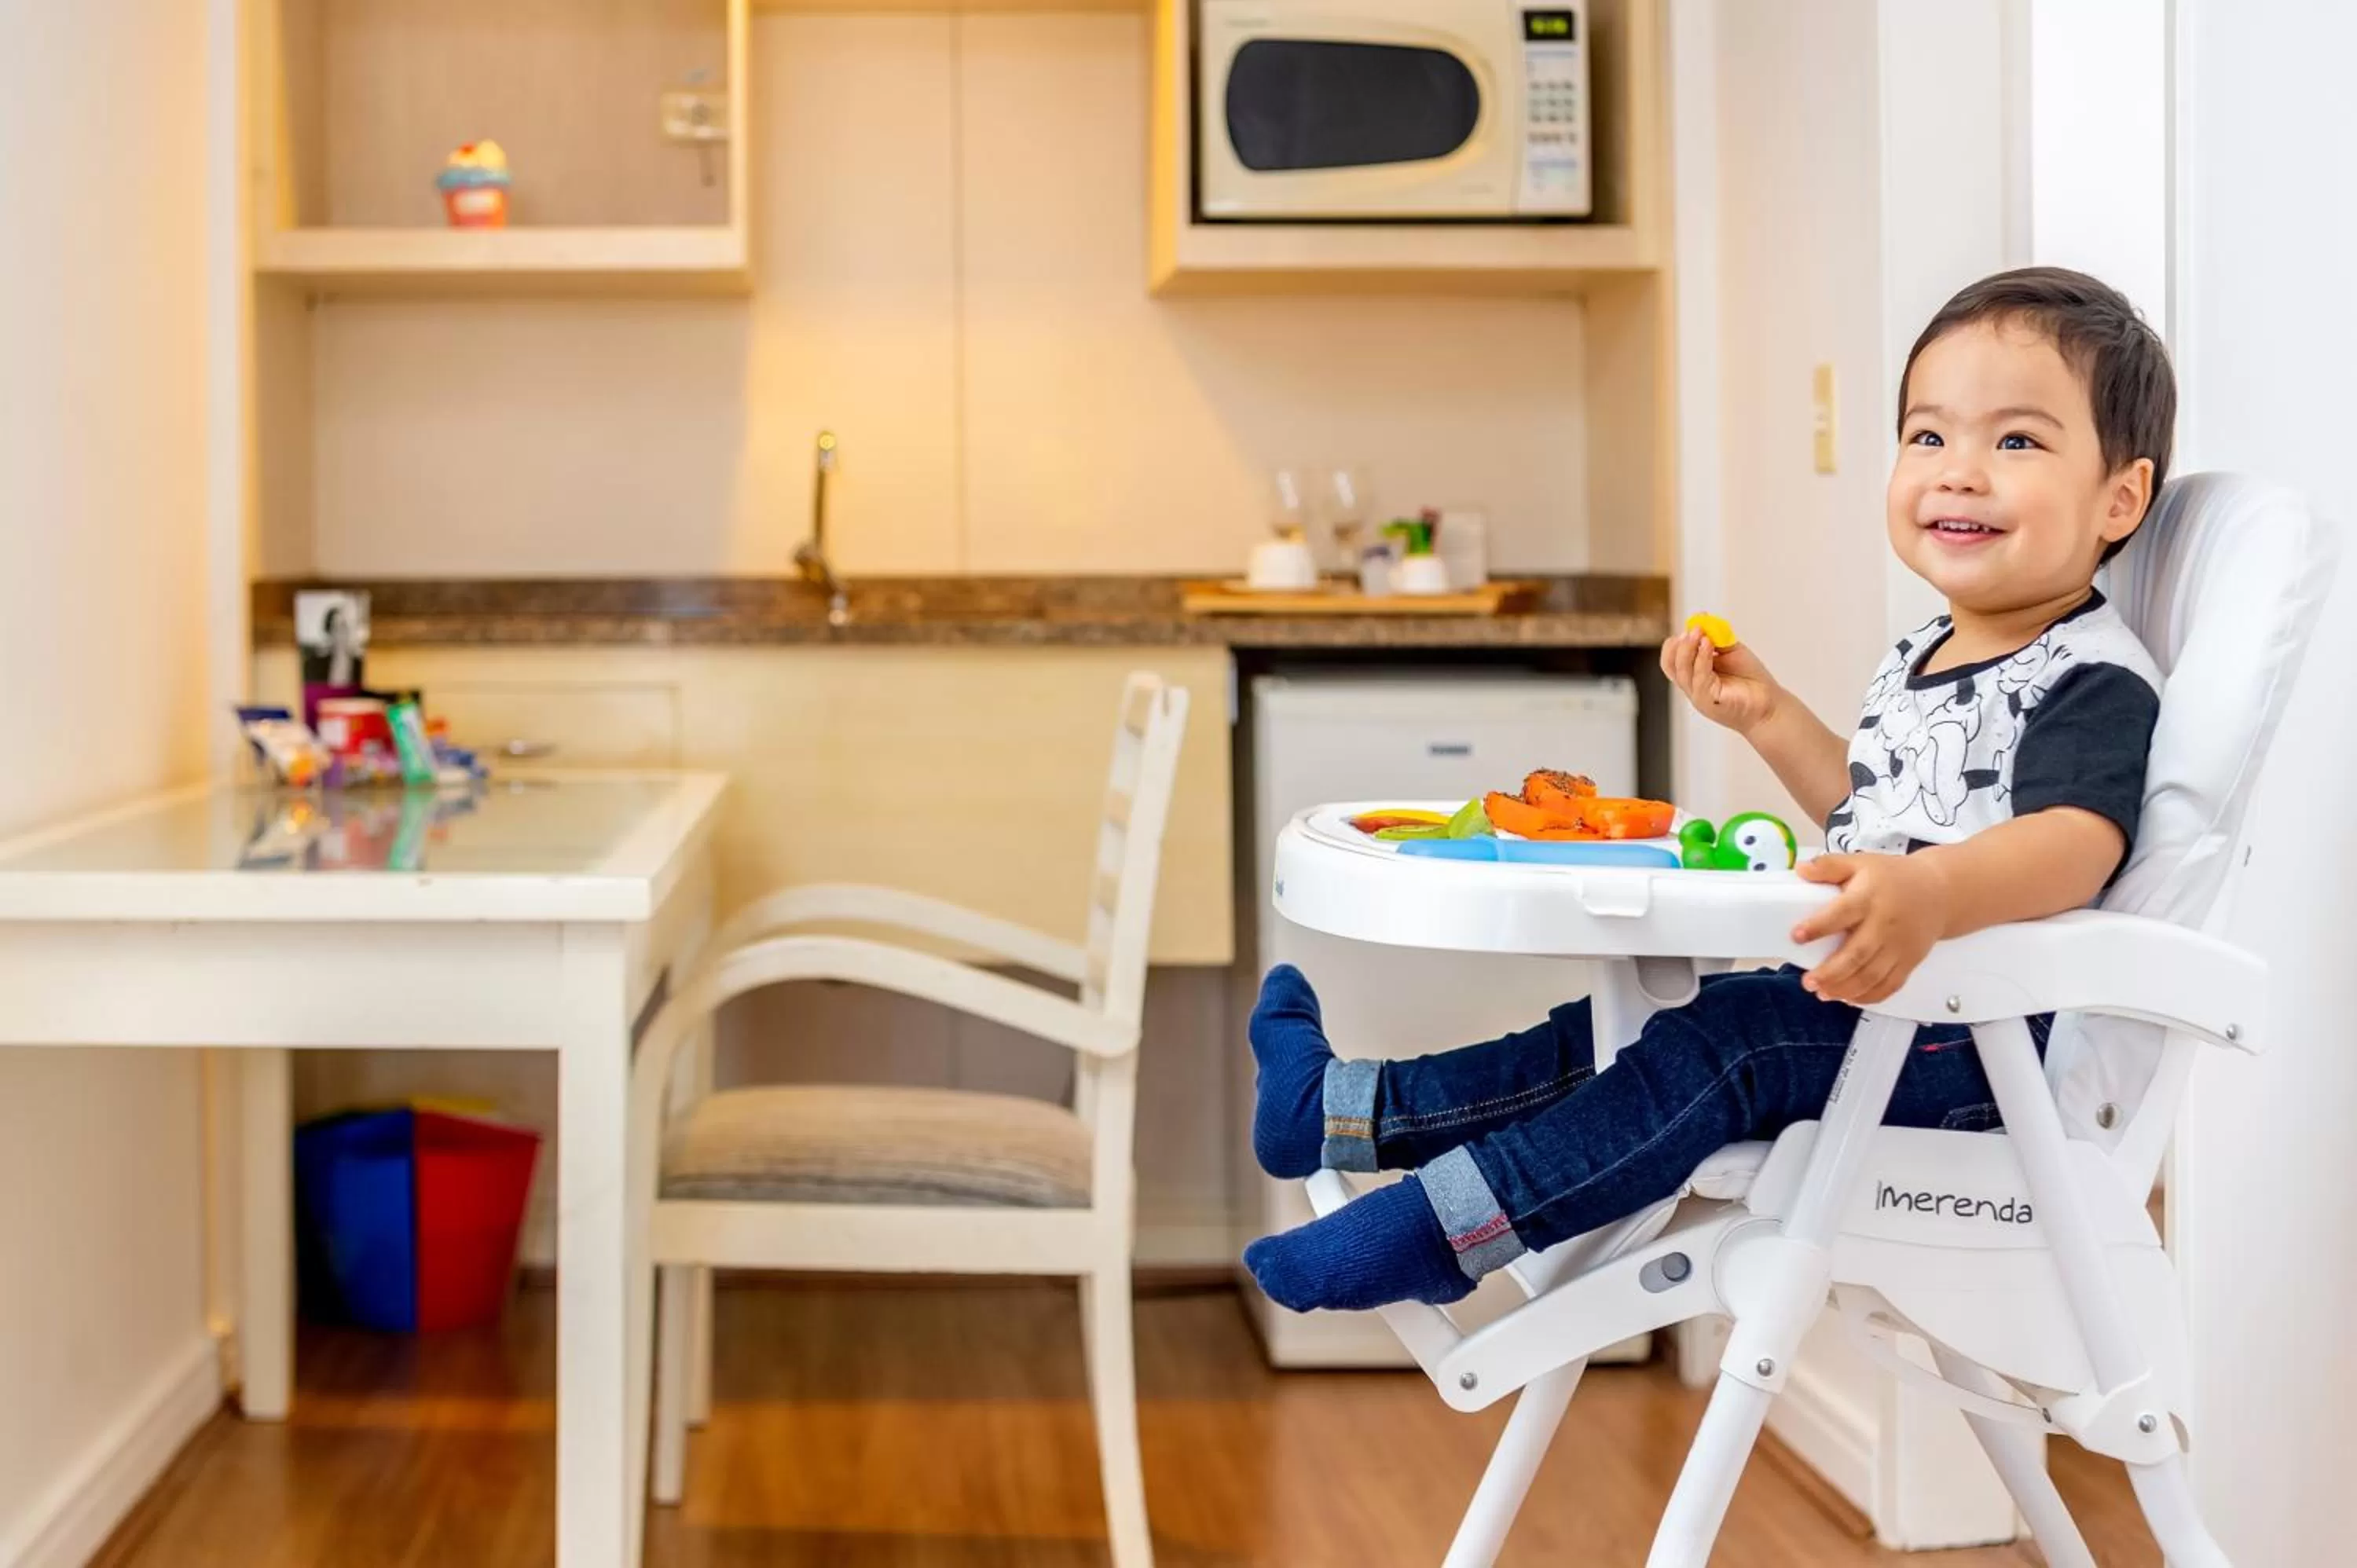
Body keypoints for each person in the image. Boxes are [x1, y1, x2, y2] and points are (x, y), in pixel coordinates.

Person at [1243, 268, 2176, 1313]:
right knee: (1624, 1030)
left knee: (1723, 1046)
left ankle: (1443, 1232)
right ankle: (1338, 1109)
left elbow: (2076, 839)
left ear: (2120, 497)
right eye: (1927, 437)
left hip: (1982, 1050)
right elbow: (1869, 815)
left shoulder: (2087, 677)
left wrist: (1934, 897)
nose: (1959, 473)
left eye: (2015, 442)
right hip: (1884, 1018)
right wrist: (1768, 718)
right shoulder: (1928, 652)